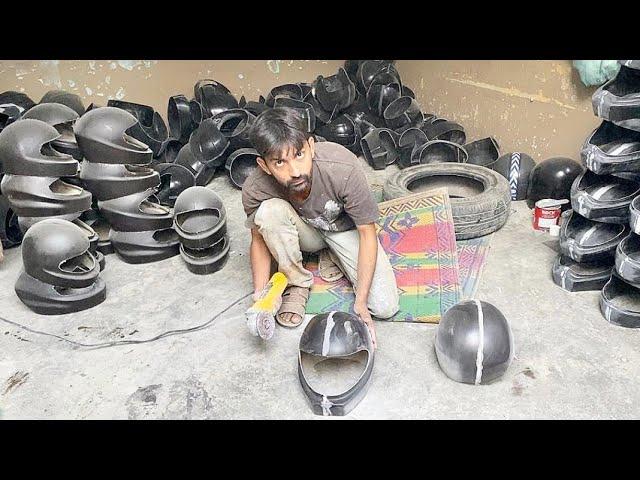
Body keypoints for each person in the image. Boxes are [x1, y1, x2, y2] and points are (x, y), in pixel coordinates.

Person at [242, 107, 399, 347]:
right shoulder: (255, 188)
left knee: (384, 306)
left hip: (344, 230)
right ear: (264, 166)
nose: (294, 171)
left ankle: (332, 254)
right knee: (268, 213)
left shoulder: (342, 168)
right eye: (279, 162)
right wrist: (260, 295)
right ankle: (297, 282)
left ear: (311, 146)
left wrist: (360, 302)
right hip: (304, 231)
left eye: (299, 155)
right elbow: (258, 240)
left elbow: (367, 233)